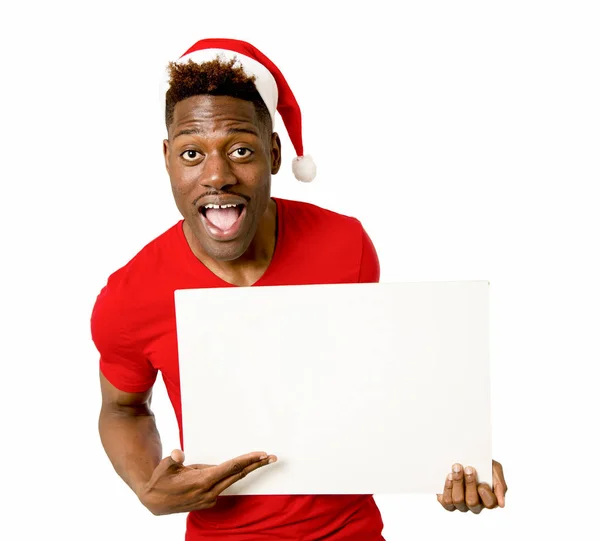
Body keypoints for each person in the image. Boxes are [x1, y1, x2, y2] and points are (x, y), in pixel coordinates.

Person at [91, 38, 508, 540]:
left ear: (272, 153)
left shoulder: (344, 244)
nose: (217, 175)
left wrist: (454, 458)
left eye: (240, 149)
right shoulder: (130, 294)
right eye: (192, 153)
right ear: (167, 159)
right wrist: (145, 485)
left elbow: (375, 385)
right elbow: (123, 408)